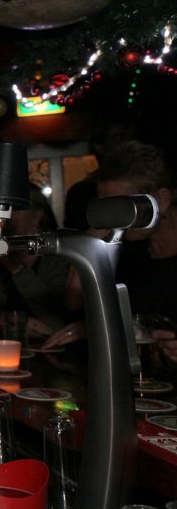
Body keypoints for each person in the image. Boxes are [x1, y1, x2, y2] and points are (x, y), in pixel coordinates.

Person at [44, 140, 177, 351]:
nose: (114, 217)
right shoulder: (128, 251)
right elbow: (74, 301)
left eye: (122, 206)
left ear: (161, 200)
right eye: (106, 205)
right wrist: (92, 238)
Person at [0, 184, 74, 336]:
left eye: (15, 209)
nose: (7, 216)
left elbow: (56, 319)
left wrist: (16, 269)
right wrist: (2, 319)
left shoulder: (60, 257)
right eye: (3, 210)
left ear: (37, 215)